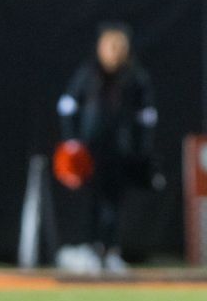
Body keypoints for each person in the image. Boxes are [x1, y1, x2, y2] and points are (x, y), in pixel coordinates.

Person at [56, 23, 157, 275]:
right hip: (91, 150)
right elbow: (67, 105)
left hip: (121, 151)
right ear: (100, 48)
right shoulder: (88, 74)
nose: (114, 52)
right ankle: (91, 250)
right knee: (93, 201)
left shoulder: (134, 77)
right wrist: (72, 141)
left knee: (114, 202)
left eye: (119, 46)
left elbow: (146, 115)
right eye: (110, 46)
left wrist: (141, 147)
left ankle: (111, 251)